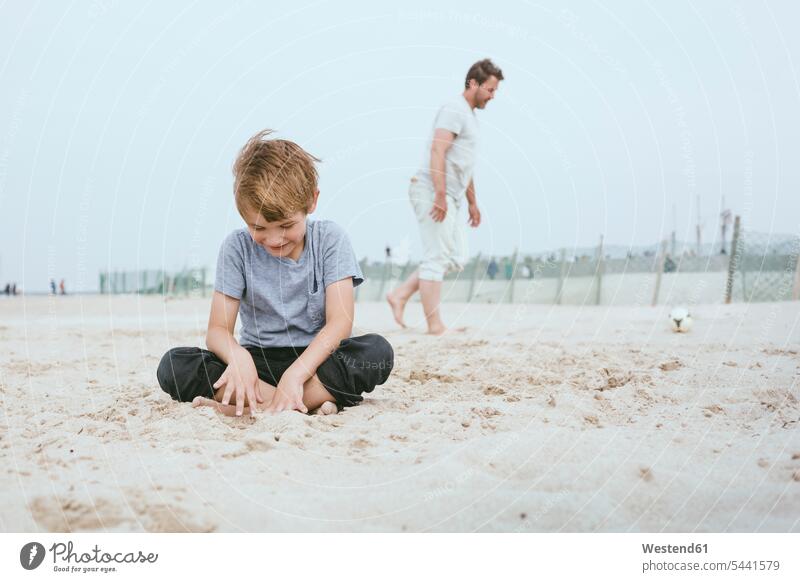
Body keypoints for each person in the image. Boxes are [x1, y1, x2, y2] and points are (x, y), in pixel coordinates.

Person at [157, 129, 394, 417]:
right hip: (258, 363)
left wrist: (295, 376)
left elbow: (340, 323)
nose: (273, 240)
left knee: (376, 353)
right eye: (258, 228)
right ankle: (299, 403)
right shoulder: (236, 248)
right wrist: (238, 357)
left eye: (285, 226)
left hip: (314, 362)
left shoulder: (331, 240)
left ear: (312, 202)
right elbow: (218, 330)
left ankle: (265, 404)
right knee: (174, 365)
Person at [387, 59, 504, 334]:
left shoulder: (470, 118)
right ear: (473, 83)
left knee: (455, 257)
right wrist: (439, 193)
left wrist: (473, 203)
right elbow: (438, 151)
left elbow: (464, 166)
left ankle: (400, 294)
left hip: (451, 194)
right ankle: (435, 325)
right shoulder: (455, 109)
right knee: (437, 256)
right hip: (431, 189)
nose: (492, 96)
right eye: (489, 89)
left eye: (495, 91)